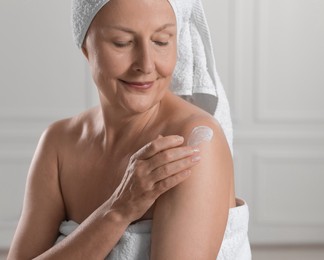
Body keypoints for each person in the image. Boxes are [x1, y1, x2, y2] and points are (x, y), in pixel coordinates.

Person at [7, 0, 251, 259]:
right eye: (122, 43)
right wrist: (119, 210)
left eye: (161, 41)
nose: (145, 65)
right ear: (86, 48)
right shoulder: (59, 143)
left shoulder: (192, 143)